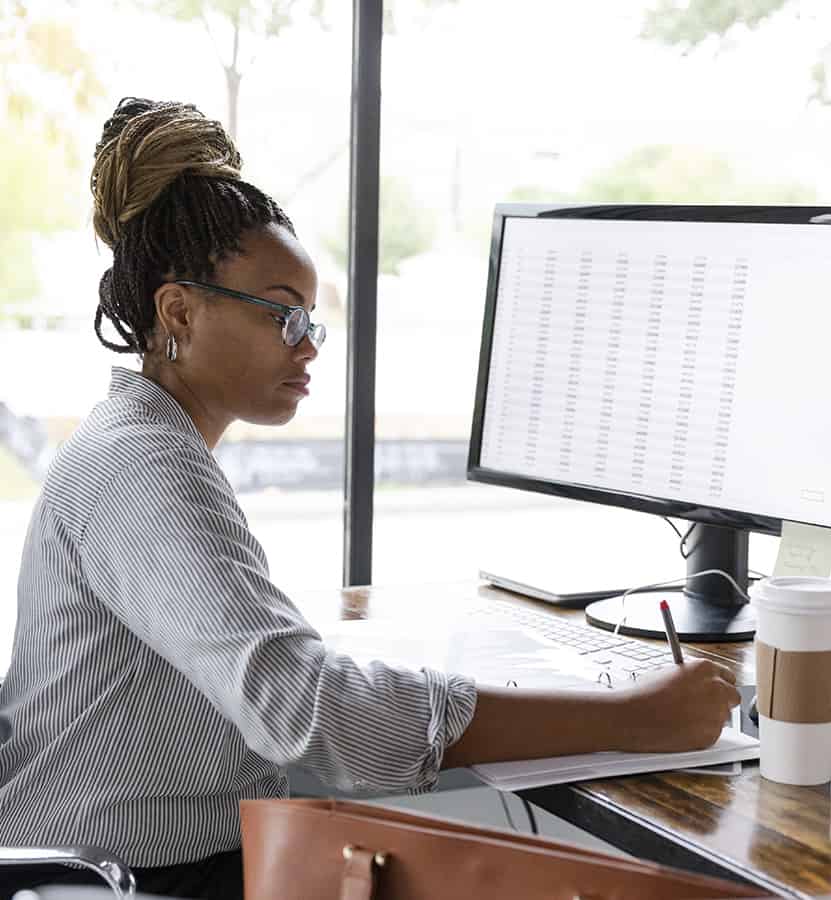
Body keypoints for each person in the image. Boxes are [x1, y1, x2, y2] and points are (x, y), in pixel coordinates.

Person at [0, 97, 740, 899]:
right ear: (179, 311)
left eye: (311, 317)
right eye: (284, 315)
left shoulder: (144, 443)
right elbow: (315, 716)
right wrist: (632, 717)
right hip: (115, 882)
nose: (311, 342)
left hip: (167, 859)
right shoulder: (142, 465)